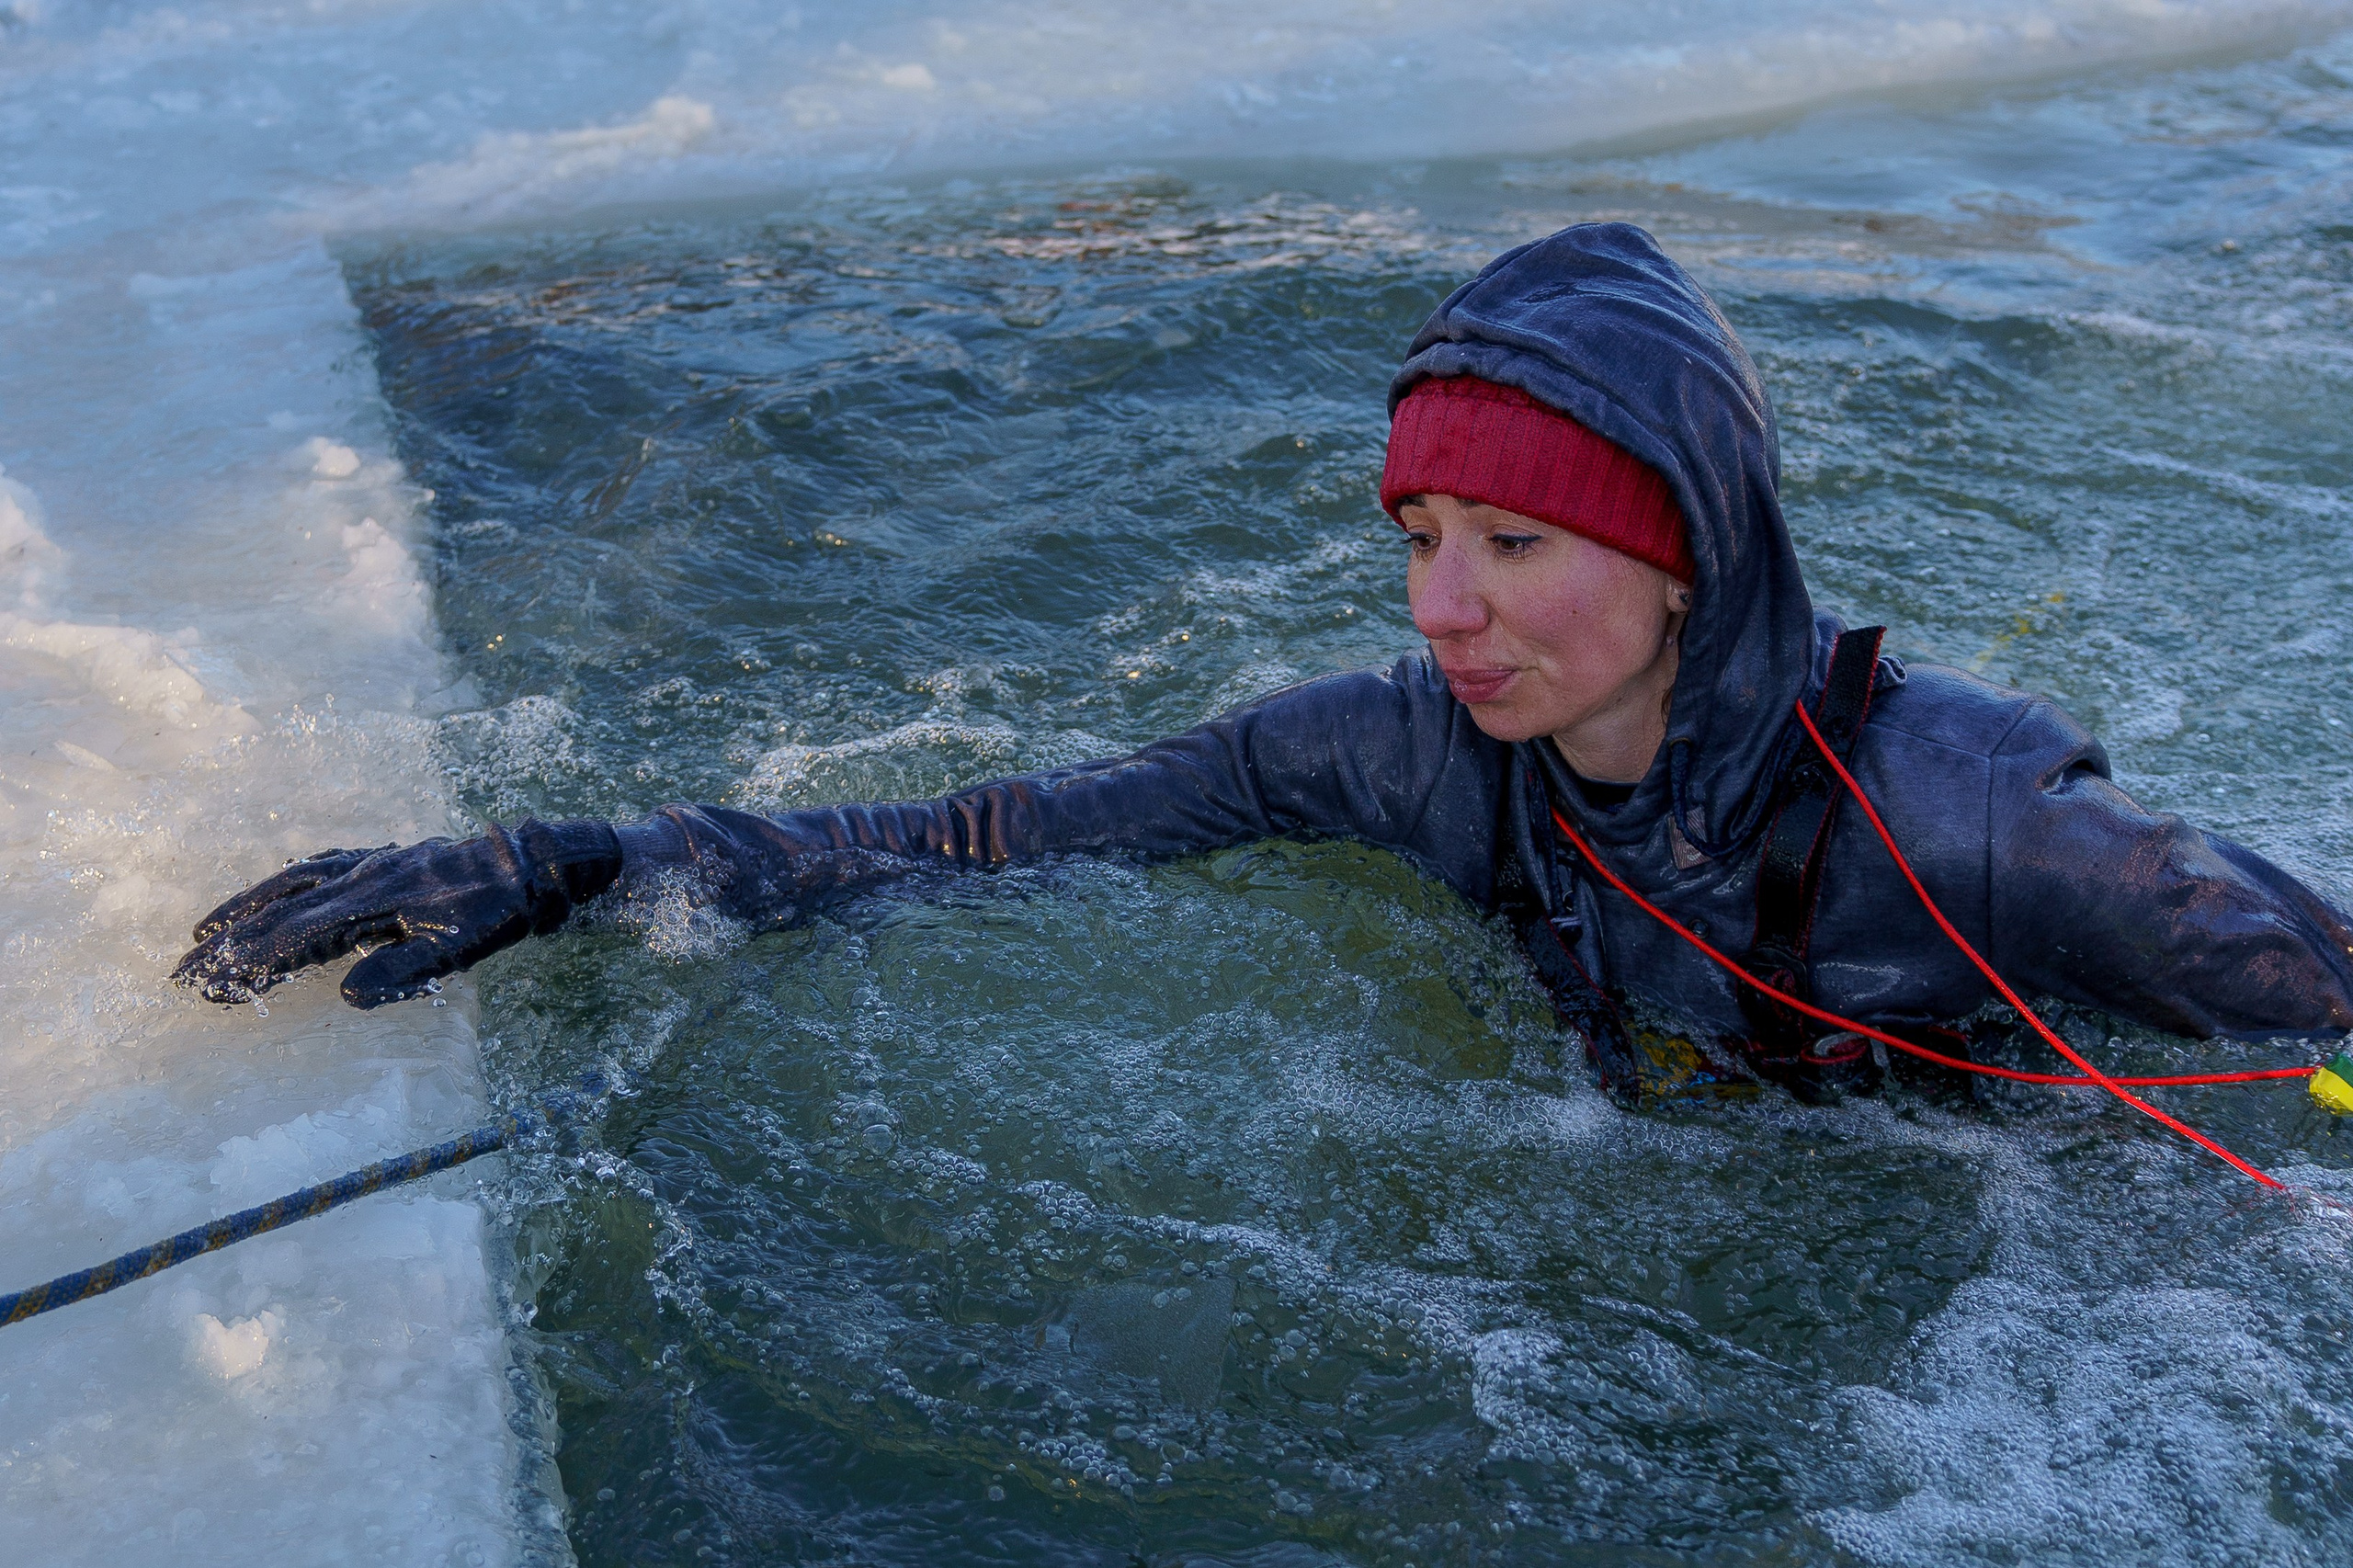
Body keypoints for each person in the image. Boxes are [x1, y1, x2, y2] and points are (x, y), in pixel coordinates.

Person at [174, 222, 2353, 1103]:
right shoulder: (1404, 757)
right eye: (1416, 537)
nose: (1440, 605)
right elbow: (991, 828)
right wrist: (584, 854)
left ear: (1683, 554)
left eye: (1509, 541)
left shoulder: (1981, 814)